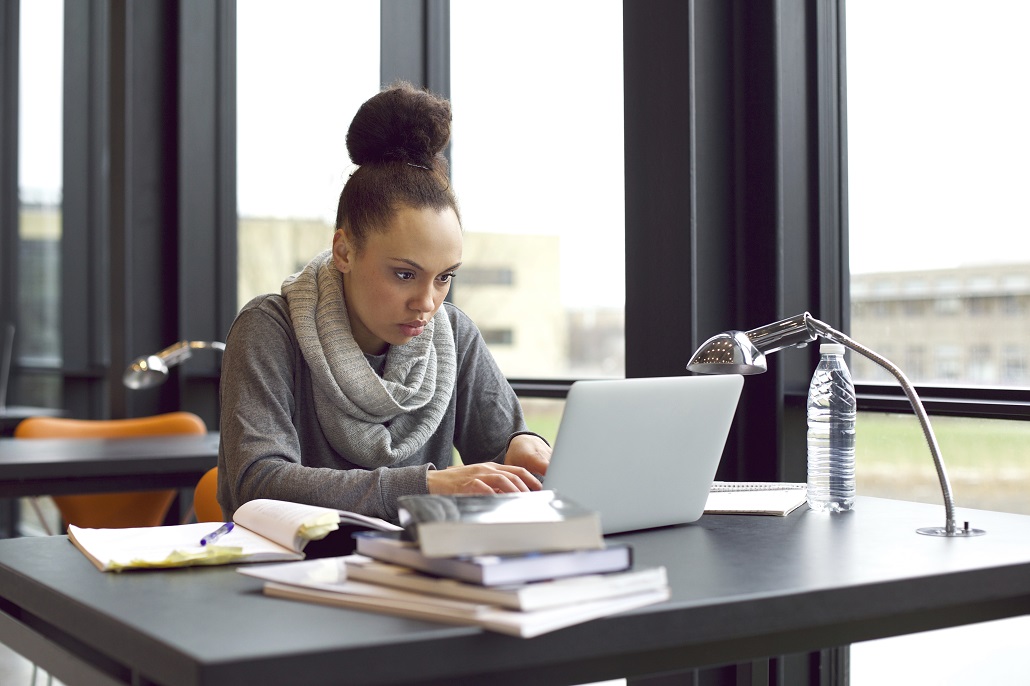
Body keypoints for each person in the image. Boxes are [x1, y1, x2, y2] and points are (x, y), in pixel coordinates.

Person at [217, 82, 551, 522]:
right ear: (345, 251)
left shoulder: (453, 334)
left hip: (420, 569)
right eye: (405, 274)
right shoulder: (269, 328)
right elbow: (257, 484)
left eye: (444, 278)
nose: (426, 303)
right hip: (293, 572)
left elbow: (503, 450)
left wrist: (525, 447)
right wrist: (425, 485)